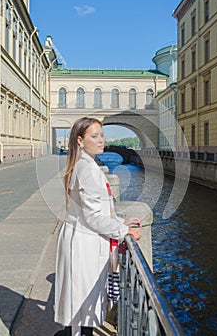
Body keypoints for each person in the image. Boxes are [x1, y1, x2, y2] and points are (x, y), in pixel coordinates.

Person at [54, 117, 141, 336]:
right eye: (95, 136)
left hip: (79, 238)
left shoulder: (83, 163)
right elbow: (92, 217)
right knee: (84, 305)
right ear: (80, 141)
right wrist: (124, 231)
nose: (101, 140)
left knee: (79, 304)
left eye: (101, 135)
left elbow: (92, 211)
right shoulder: (88, 169)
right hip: (84, 244)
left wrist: (120, 222)